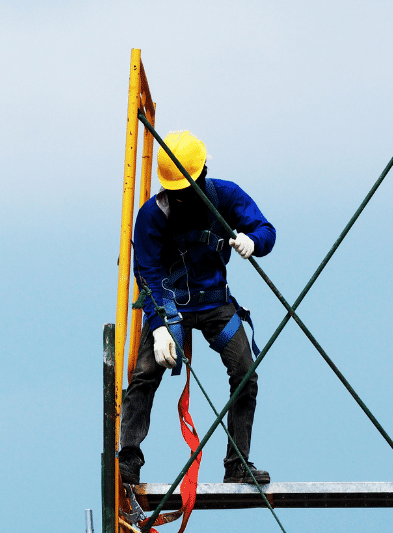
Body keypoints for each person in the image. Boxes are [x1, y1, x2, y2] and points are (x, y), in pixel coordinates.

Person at [117, 130, 276, 486]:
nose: (183, 197)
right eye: (176, 192)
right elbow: (148, 272)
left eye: (187, 188)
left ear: (202, 174)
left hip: (214, 303)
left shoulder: (226, 196)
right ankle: (127, 460)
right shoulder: (152, 216)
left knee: (245, 374)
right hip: (169, 305)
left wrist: (254, 241)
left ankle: (237, 463)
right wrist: (158, 326)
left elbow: (266, 230)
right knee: (144, 375)